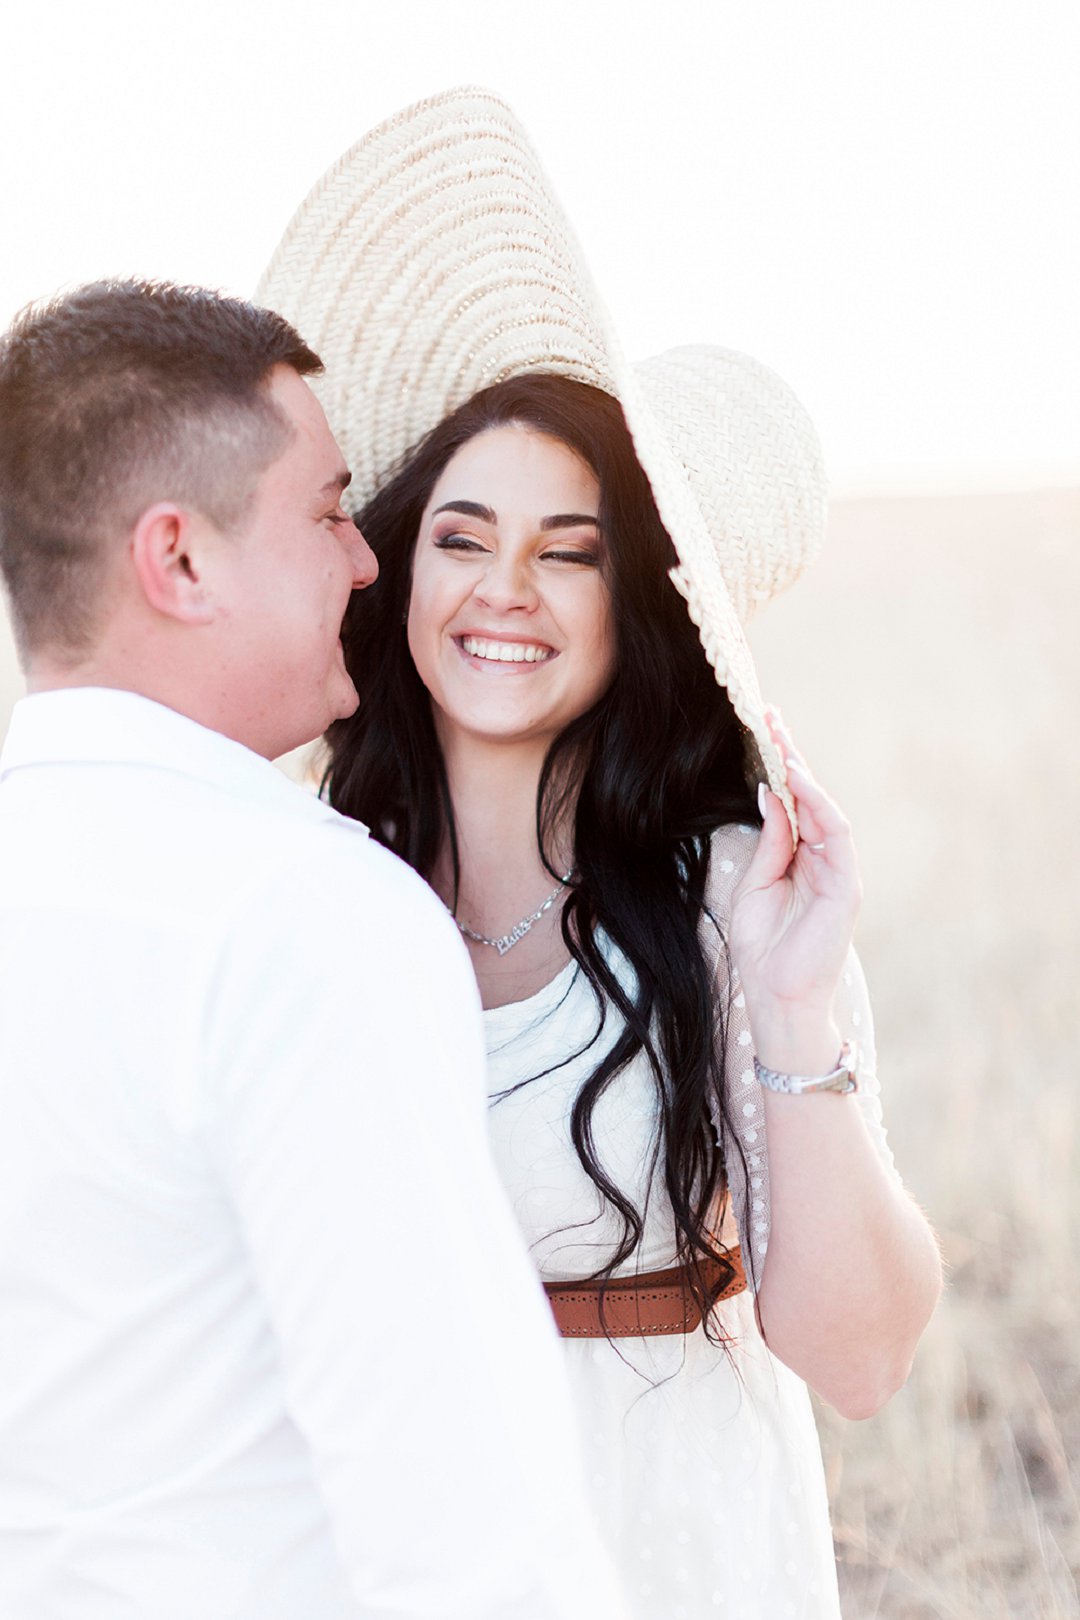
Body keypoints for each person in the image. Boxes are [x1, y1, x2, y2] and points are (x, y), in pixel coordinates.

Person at [258, 89, 944, 1620]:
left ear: (635, 603)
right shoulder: (305, 885)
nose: (506, 589)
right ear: (397, 556)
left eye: (570, 551)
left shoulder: (729, 899)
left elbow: (860, 1356)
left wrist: (795, 1011)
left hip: (669, 1553)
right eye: (462, 533)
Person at [0, 278, 630, 1620]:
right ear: (178, 561)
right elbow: (462, 1515)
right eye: (330, 510)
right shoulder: (304, 916)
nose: (365, 560)